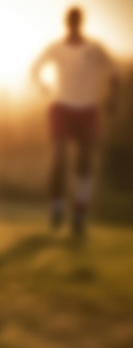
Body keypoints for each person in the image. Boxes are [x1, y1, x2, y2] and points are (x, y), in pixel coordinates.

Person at [32, 7, 119, 237]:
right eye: (70, 21)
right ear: (66, 23)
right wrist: (42, 85)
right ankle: (56, 208)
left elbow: (114, 73)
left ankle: (79, 214)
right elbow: (36, 69)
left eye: (76, 21)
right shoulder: (56, 48)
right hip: (61, 107)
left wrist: (112, 97)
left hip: (88, 110)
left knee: (84, 163)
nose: (73, 25)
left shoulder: (94, 49)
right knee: (59, 158)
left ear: (81, 22)